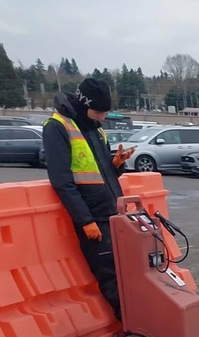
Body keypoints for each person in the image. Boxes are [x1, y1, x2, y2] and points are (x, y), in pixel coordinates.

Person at [43, 78, 134, 319]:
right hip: (94, 217)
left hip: (113, 211)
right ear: (84, 104)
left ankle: (143, 321)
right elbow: (62, 182)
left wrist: (116, 165)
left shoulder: (95, 128)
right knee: (111, 276)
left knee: (130, 271)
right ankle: (134, 325)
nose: (102, 117)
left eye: (105, 112)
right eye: (98, 112)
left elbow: (99, 172)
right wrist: (85, 221)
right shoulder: (58, 127)